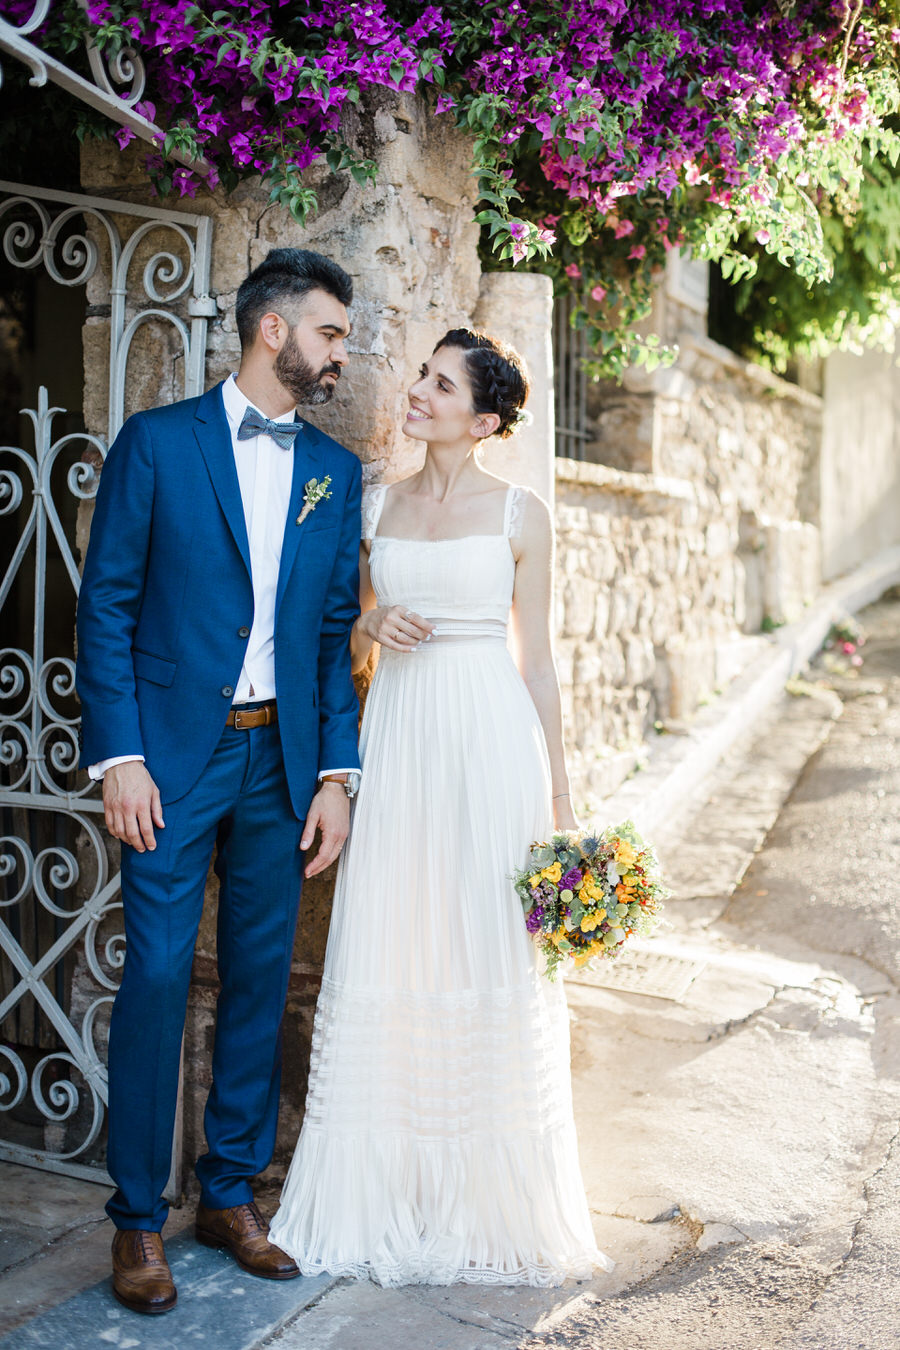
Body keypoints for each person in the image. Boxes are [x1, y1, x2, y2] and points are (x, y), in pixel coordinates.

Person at [269, 329, 611, 1285]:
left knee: (483, 938)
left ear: (485, 418)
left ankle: (485, 1193)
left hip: (490, 739)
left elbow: (536, 661)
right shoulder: (374, 506)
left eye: (441, 383)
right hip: (402, 736)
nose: (417, 390)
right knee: (396, 931)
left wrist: (560, 787)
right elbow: (340, 632)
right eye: (423, 373)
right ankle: (384, 1184)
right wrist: (371, 619)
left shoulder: (521, 512)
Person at [75, 248, 363, 1315]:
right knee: (153, 979)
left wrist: (336, 775)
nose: (344, 351)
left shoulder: (334, 474)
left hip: (280, 766)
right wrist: (120, 757)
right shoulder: (156, 445)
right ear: (273, 330)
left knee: (257, 978)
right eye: (331, 331)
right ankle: (137, 1221)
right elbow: (104, 606)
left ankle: (230, 1195)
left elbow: (332, 635)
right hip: (169, 764)